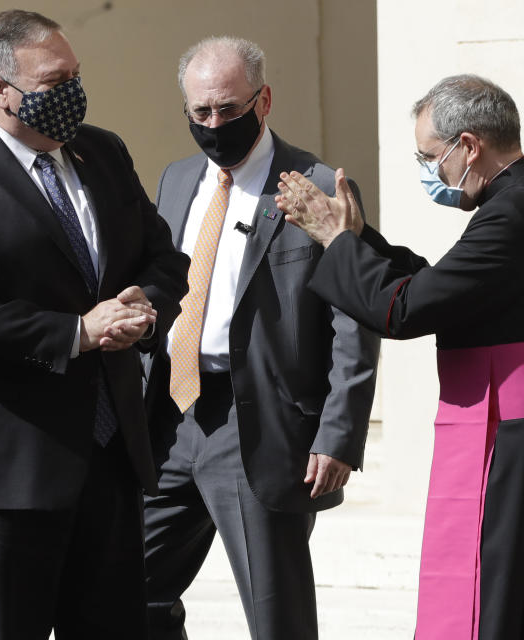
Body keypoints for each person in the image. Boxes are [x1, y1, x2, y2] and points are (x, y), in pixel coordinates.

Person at [0, 10, 189, 640]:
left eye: (76, 75)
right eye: (57, 81)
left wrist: (144, 302)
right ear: (0, 90)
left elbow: (164, 257)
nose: (75, 93)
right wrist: (80, 332)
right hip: (0, 474)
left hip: (108, 460)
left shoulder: (101, 151)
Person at [276, 74, 524, 639]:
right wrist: (357, 239)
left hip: (512, 440)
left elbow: (401, 312)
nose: (432, 171)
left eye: (431, 156)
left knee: (499, 597)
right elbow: (438, 285)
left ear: (469, 146)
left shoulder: (513, 214)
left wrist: (337, 242)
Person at [142, 36, 380, 640]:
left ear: (263, 100)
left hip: (259, 425)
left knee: (277, 615)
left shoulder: (316, 185)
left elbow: (354, 317)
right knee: (127, 589)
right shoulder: (177, 180)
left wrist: (339, 434)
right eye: (200, 113)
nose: (214, 124)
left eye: (227, 109)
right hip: (170, 418)